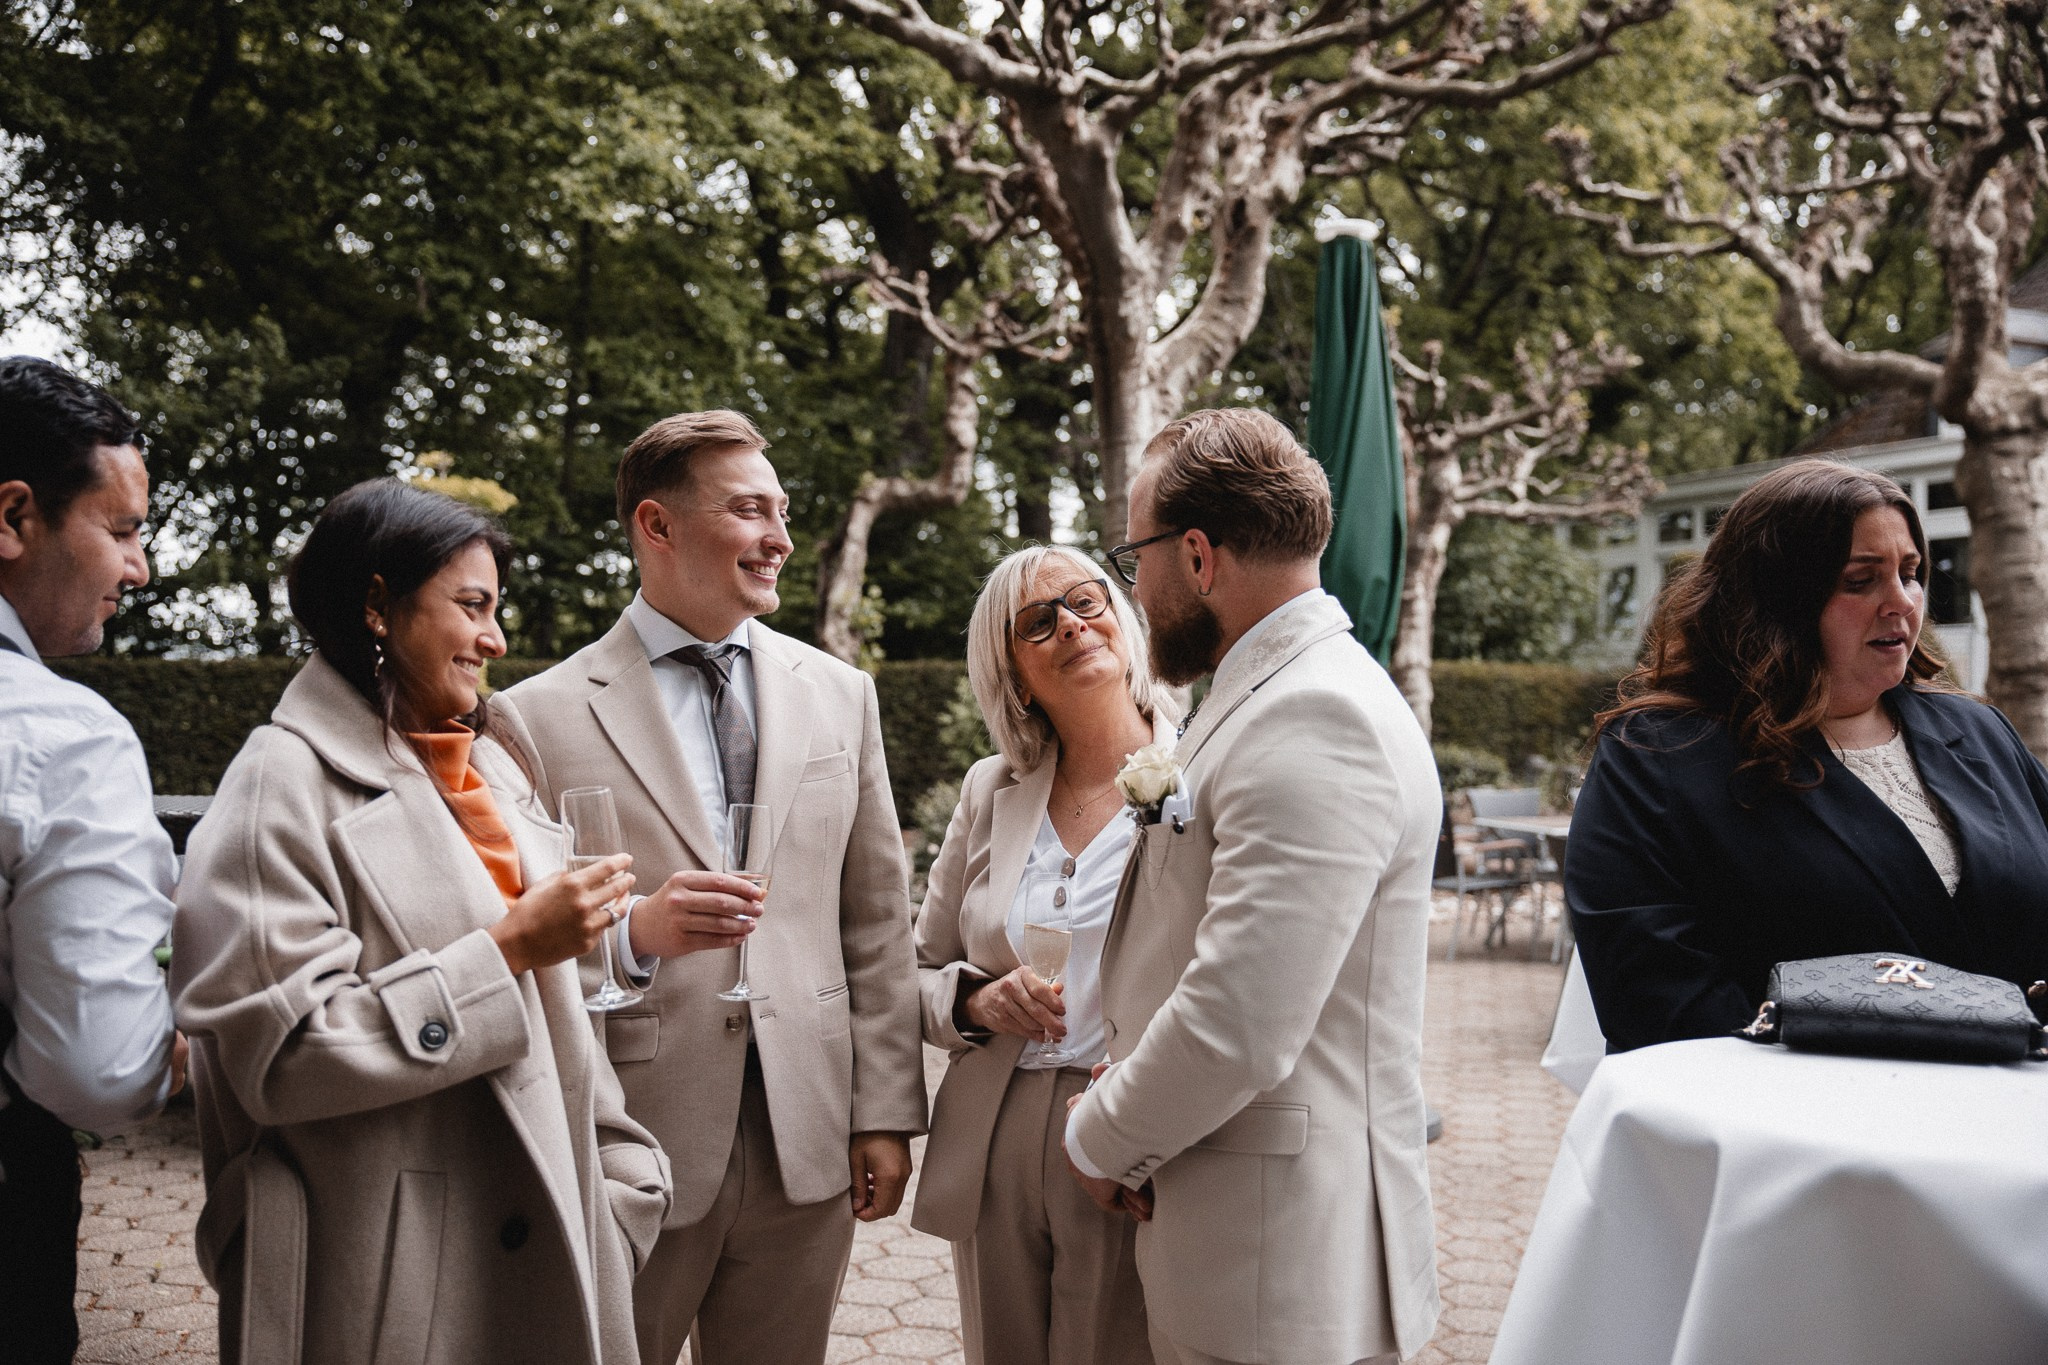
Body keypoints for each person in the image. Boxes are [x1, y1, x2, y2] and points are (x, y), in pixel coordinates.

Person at [171, 480, 670, 1365]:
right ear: (375, 604)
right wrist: (507, 947)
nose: (496, 638)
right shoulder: (276, 785)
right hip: (387, 1297)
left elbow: (564, 1012)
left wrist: (625, 1185)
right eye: (472, 605)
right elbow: (280, 1063)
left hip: (560, 1253)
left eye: (496, 609)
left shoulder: (492, 770)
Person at [495, 410, 927, 1365]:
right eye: (748, 510)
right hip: (626, 1135)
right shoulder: (532, 717)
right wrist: (639, 930)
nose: (779, 537)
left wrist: (887, 1112)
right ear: (657, 525)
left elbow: (875, 920)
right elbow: (515, 937)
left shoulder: (840, 694)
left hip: (805, 1136)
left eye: (781, 511)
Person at [1063, 408, 1442, 1365]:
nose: (1132, 587)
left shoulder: (1315, 715)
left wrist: (1100, 1134)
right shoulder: (1275, 690)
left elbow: (1241, 1019)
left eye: (1134, 554)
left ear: (1196, 556)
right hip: (1250, 1234)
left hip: (1277, 1262)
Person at [1566, 458, 2048, 1052]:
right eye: (1860, 579)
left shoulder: (1979, 732)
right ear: (1776, 597)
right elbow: (1658, 999)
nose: (1901, 602)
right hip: (1805, 1127)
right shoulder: (1659, 759)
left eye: (1910, 572)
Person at [912, 545, 1175, 1365]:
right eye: (1038, 620)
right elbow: (913, 969)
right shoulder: (989, 790)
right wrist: (975, 1003)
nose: (1071, 622)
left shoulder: (1202, 768)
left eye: (1087, 600)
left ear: (1123, 625)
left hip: (1129, 1124)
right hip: (993, 1130)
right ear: (1017, 676)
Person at [0, 355, 187, 1363]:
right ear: (14, 516)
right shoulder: (60, 738)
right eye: (120, 530)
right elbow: (97, 1071)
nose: (138, 568)